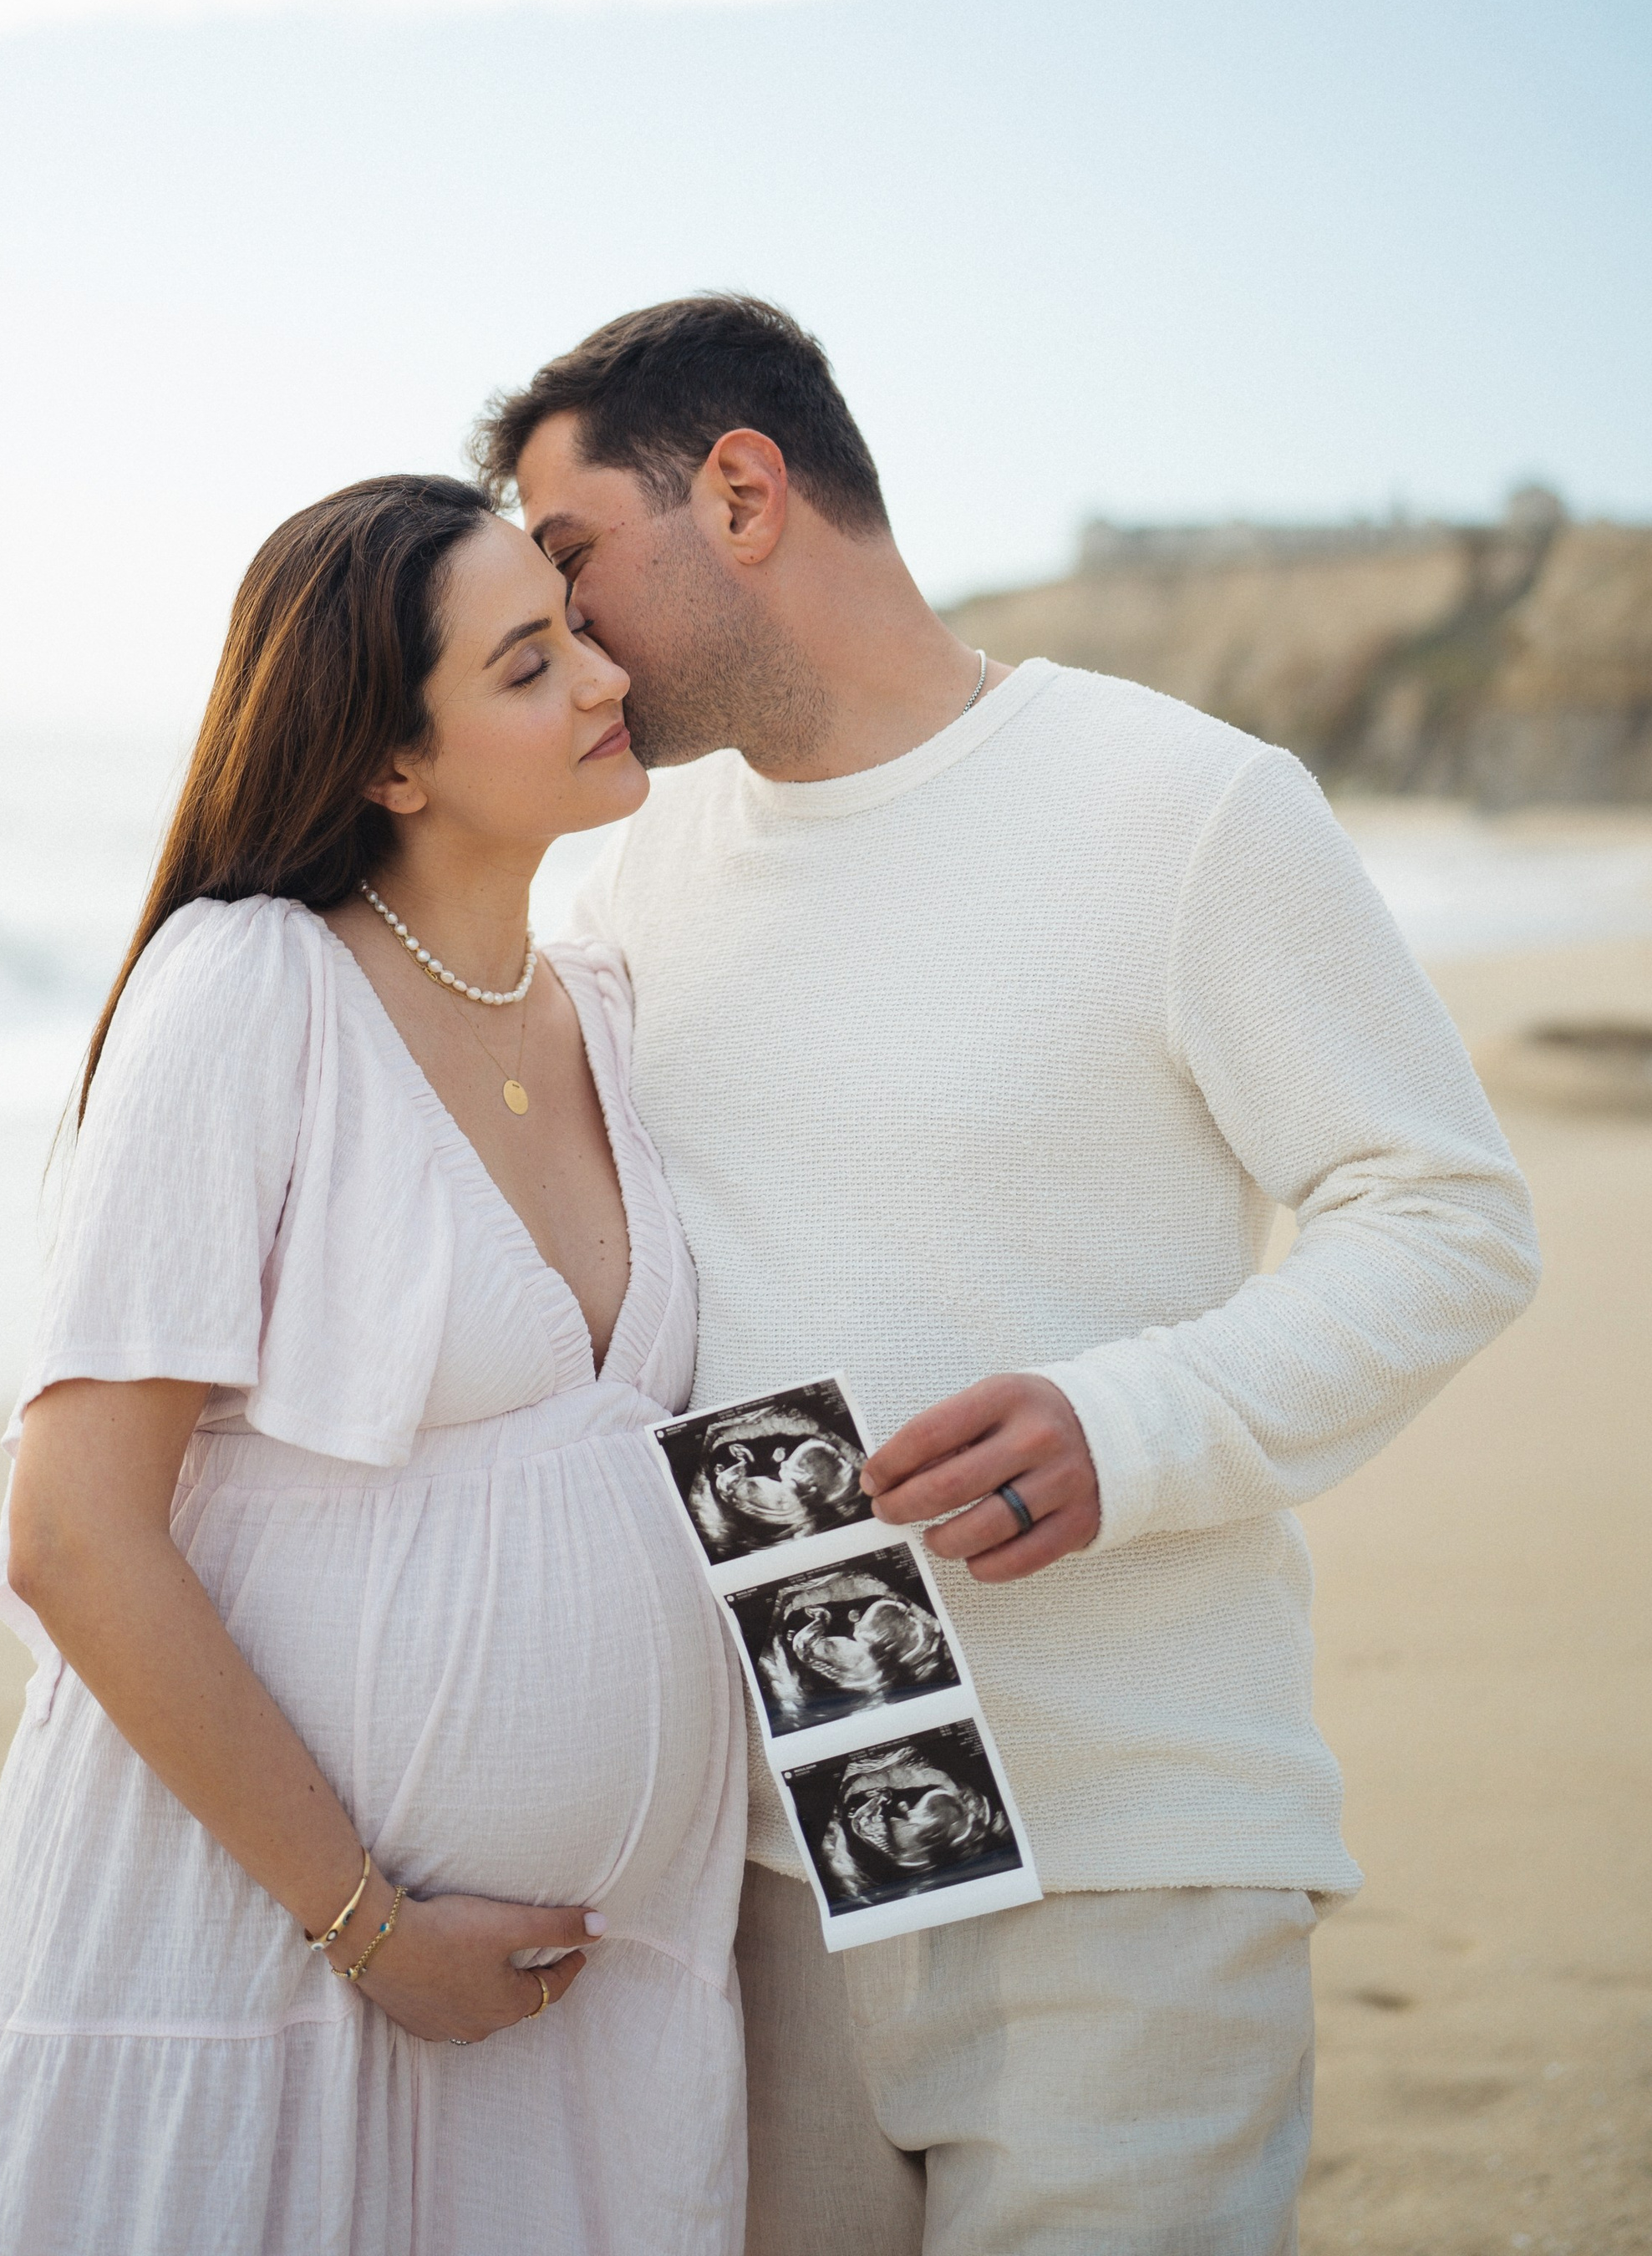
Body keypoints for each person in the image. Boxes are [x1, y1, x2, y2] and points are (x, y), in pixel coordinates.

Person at [475, 294, 1540, 2256]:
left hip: (1123, 1856)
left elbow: (1441, 1210)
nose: (563, 640)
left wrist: (1128, 1422)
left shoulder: (1182, 806)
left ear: (738, 490)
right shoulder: (631, 873)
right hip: (757, 1863)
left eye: (568, 563)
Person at [0, 475, 748, 2256]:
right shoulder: (249, 990)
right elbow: (75, 1533)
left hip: (574, 2012)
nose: (598, 677)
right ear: (387, 766)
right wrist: (372, 1930)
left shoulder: (606, 1005)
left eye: (572, 627)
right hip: (257, 1960)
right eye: (524, 664)